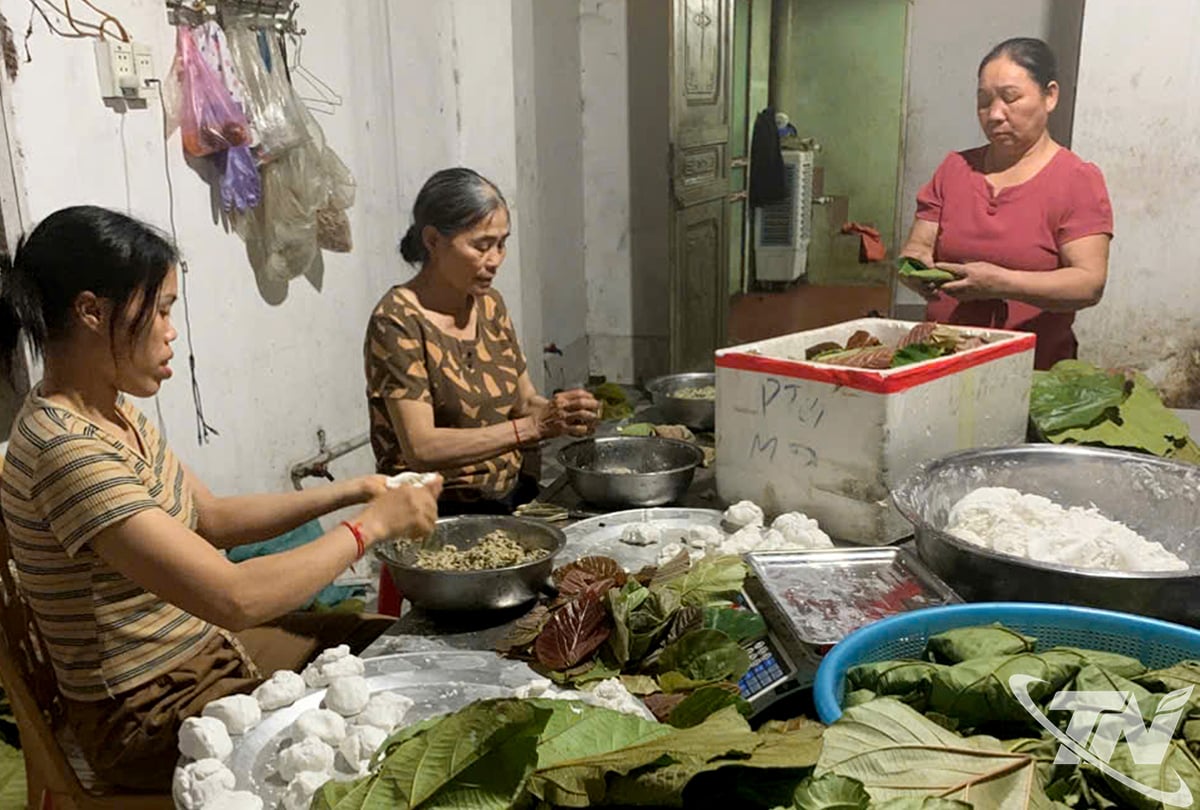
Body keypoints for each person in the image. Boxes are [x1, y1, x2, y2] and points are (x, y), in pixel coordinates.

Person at [0, 206, 442, 791]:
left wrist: (356, 490)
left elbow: (210, 518)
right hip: (150, 710)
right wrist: (368, 528)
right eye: (160, 310)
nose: (171, 331)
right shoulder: (66, 451)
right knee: (361, 738)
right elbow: (236, 598)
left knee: (398, 651)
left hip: (211, 652)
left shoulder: (110, 412)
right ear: (91, 311)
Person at [364, 167, 600, 514]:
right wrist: (532, 427)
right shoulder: (397, 320)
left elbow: (524, 401)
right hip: (436, 510)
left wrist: (565, 413)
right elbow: (421, 447)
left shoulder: (489, 305)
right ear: (433, 241)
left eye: (502, 244)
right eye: (482, 246)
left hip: (510, 494)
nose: (495, 260)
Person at [898, 37, 1113, 370]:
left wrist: (1002, 283)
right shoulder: (955, 169)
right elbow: (917, 247)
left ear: (1050, 96)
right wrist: (914, 267)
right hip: (943, 364)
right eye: (984, 101)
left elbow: (1089, 283)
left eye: (1010, 98)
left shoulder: (1076, 180)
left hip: (1032, 369)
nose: (995, 114)